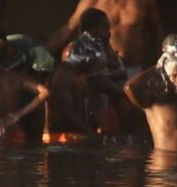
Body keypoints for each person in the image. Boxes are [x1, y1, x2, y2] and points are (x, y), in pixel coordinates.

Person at [47, 0, 163, 75]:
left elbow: (156, 31)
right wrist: (44, 53)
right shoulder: (93, 0)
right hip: (102, 71)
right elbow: (67, 30)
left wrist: (161, 63)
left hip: (133, 70)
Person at [47, 8, 124, 138]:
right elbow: (65, 113)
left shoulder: (92, 73)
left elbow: (118, 82)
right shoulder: (65, 73)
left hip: (86, 131)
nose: (109, 33)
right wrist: (92, 135)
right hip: (64, 136)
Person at [0, 31, 49, 144]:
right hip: (15, 133)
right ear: (7, 59)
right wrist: (18, 115)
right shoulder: (18, 78)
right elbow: (44, 92)